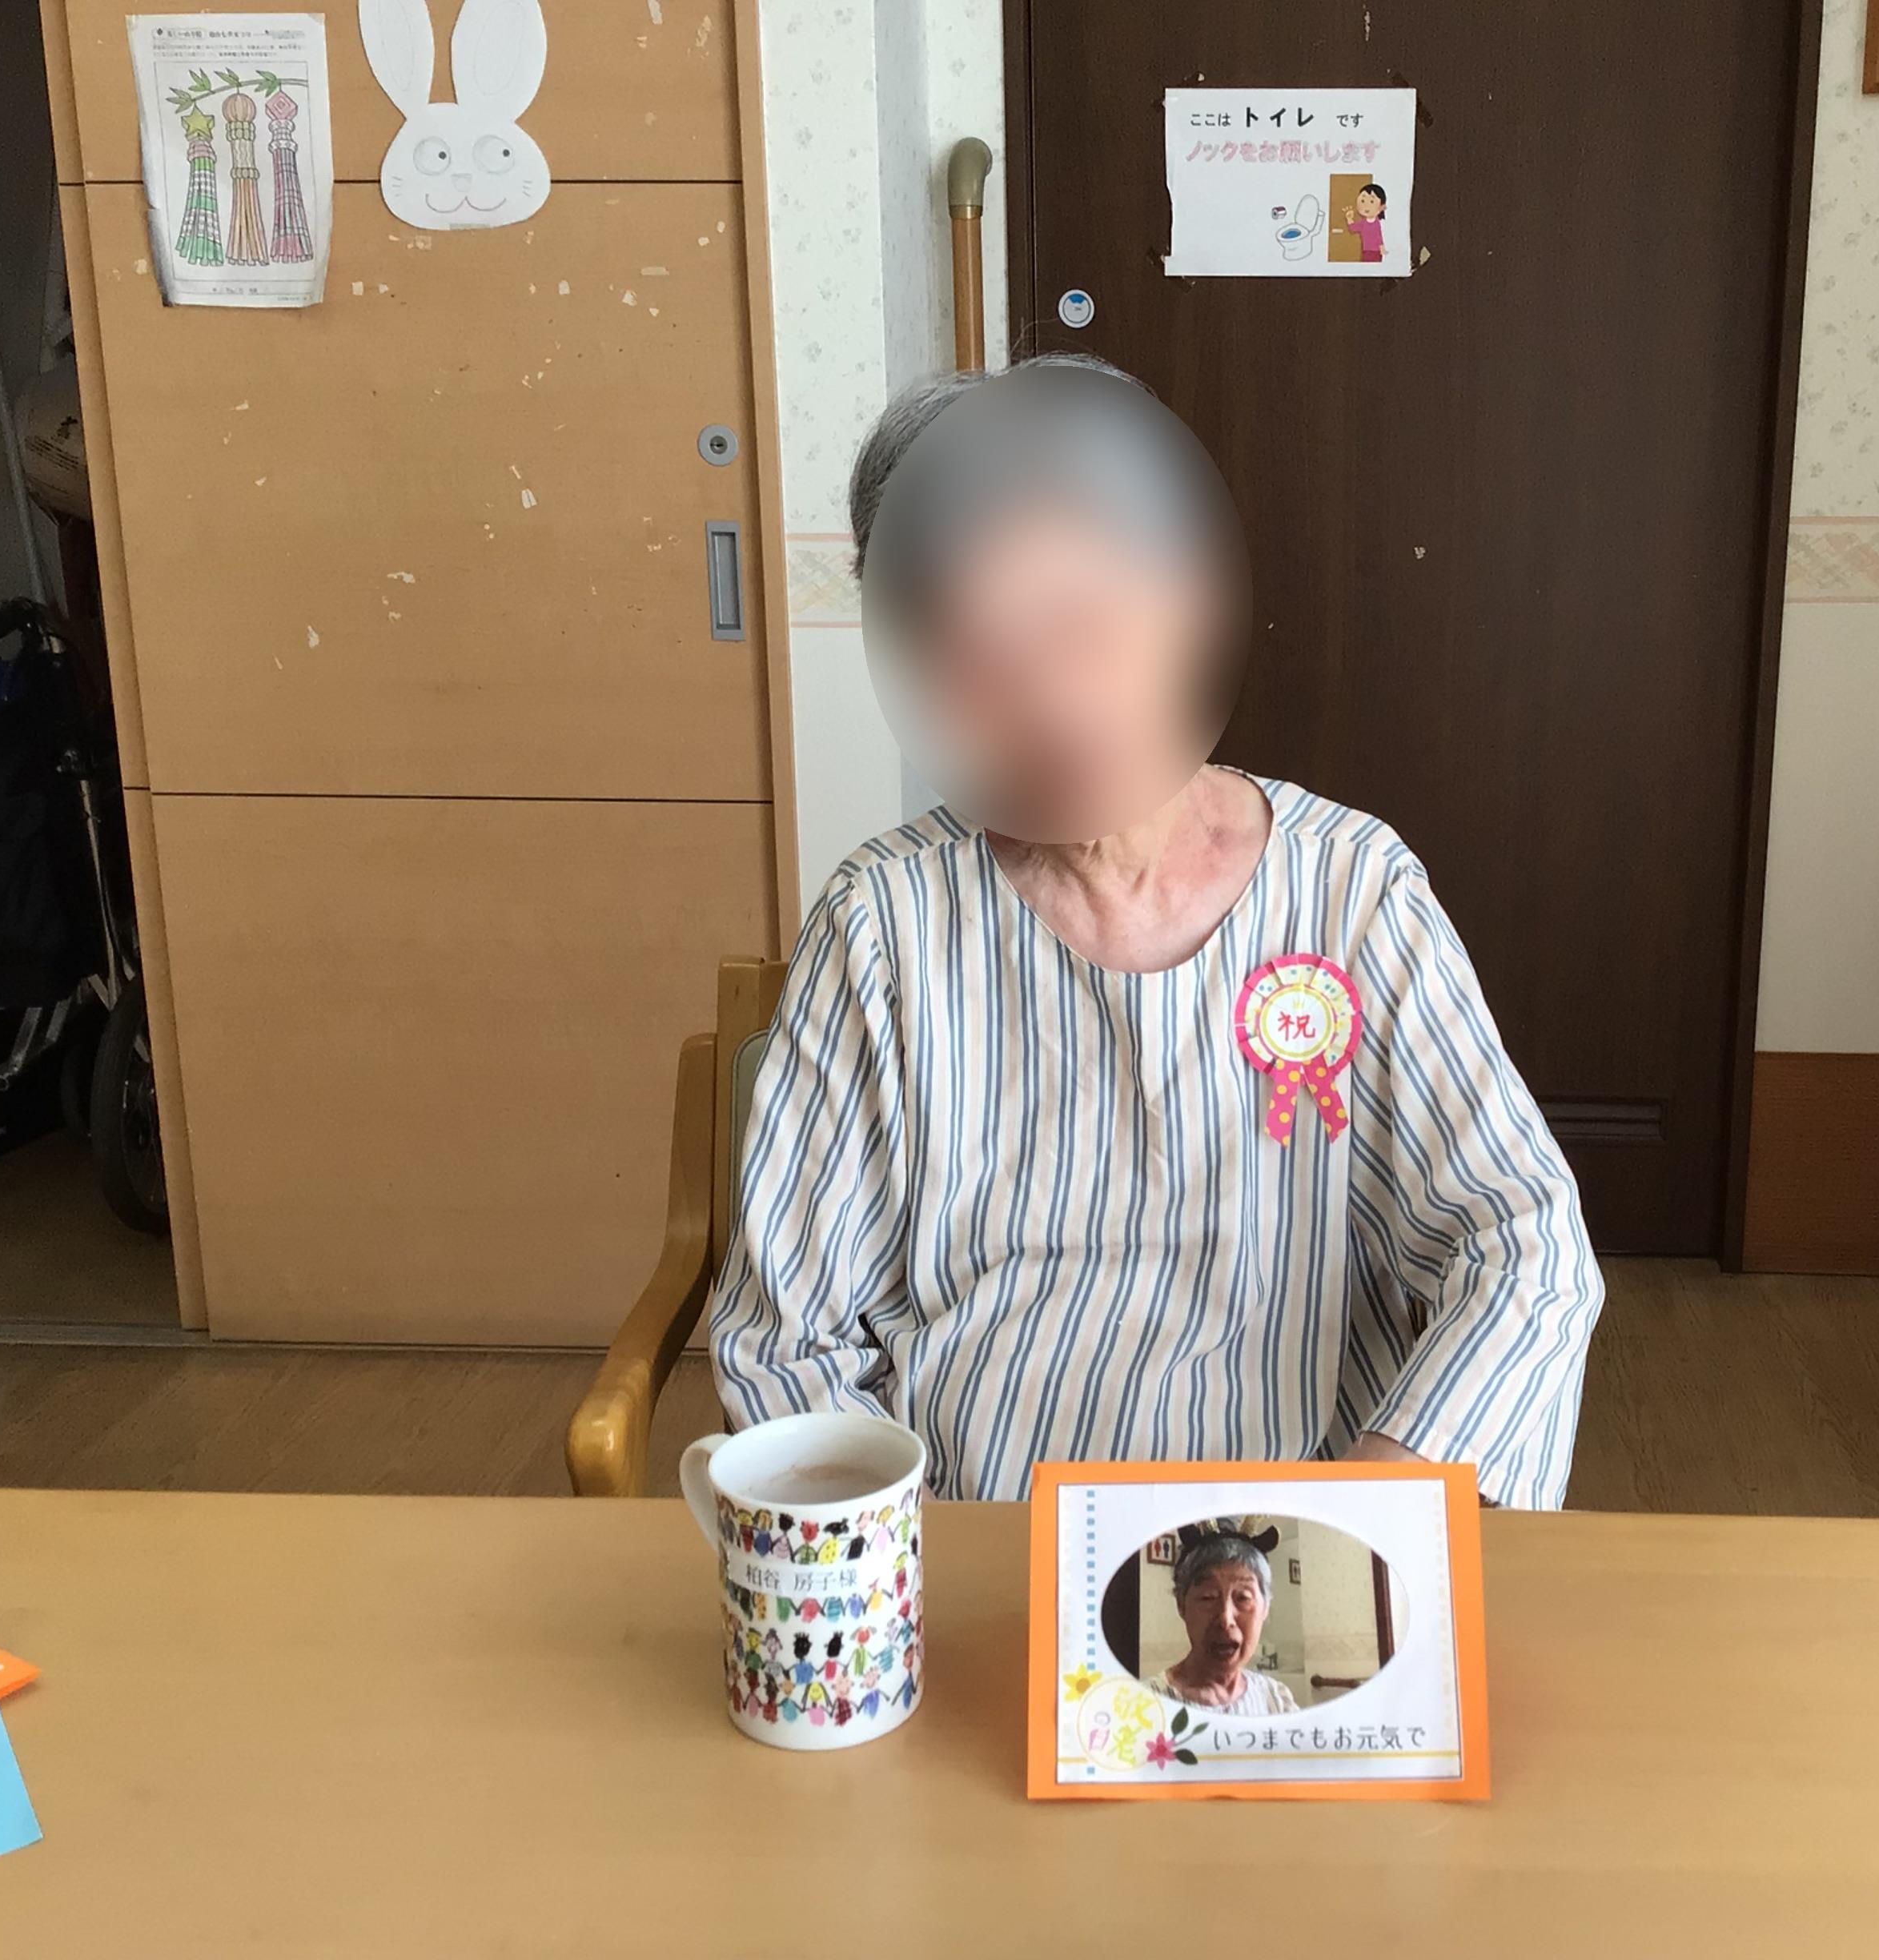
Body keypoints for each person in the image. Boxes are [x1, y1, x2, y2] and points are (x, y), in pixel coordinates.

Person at [706, 355, 1604, 1508]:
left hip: (1302, 1533)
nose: (1055, 702)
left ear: (1185, 603)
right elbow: (784, 1340)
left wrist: (1370, 1514)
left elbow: (1521, 1246)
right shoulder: (883, 925)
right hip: (981, 1531)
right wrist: (913, 1560)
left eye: (1086, 624)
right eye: (986, 654)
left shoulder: (1352, 890)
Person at [1151, 1528, 1301, 1714]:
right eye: (1208, 1597)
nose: (1225, 1618)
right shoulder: (1146, 1704)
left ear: (1265, 1608)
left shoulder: (1275, 1699)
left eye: (1243, 1598)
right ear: (1181, 1605)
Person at [1343, 183, 1387, 263]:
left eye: (1372, 202)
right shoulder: (1363, 223)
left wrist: (1382, 247)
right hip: (1366, 250)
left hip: (1376, 251)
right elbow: (1353, 228)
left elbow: (1379, 236)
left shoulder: (1377, 223)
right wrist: (1349, 219)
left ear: (1382, 207)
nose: (1366, 206)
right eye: (1363, 201)